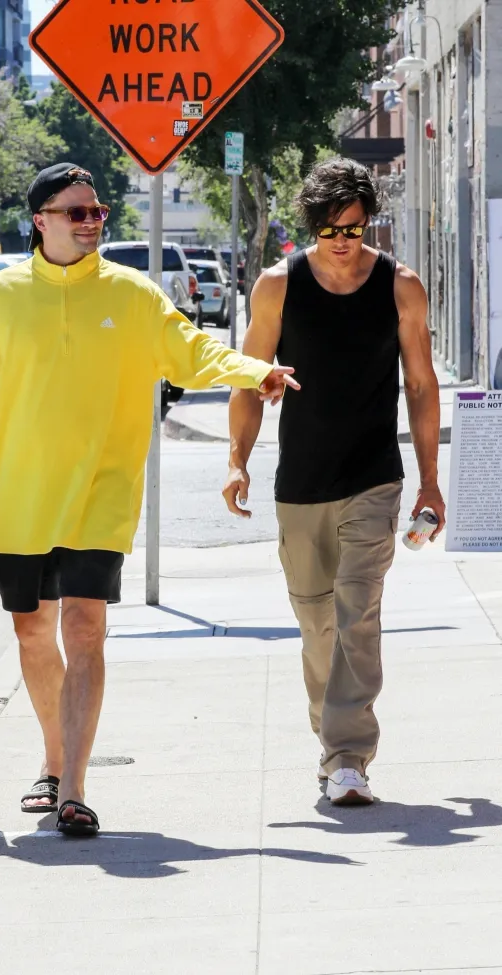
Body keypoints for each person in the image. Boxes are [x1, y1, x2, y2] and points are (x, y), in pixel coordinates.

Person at [0, 162, 295, 836]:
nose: (93, 221)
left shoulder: (132, 295)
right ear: (40, 220)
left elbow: (188, 351)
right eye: (77, 212)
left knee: (85, 627)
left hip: (102, 495)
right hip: (19, 499)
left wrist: (255, 370)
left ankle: (74, 786)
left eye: (98, 211)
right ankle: (51, 756)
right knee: (32, 631)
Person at [223, 157, 445, 805]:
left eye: (353, 229)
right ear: (312, 229)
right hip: (301, 482)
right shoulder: (277, 287)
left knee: (358, 612)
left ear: (368, 222)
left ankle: (349, 754)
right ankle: (332, 738)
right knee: (317, 622)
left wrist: (430, 481)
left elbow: (423, 384)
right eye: (330, 231)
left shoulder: (401, 287)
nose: (343, 244)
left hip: (375, 476)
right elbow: (246, 378)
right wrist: (238, 458)